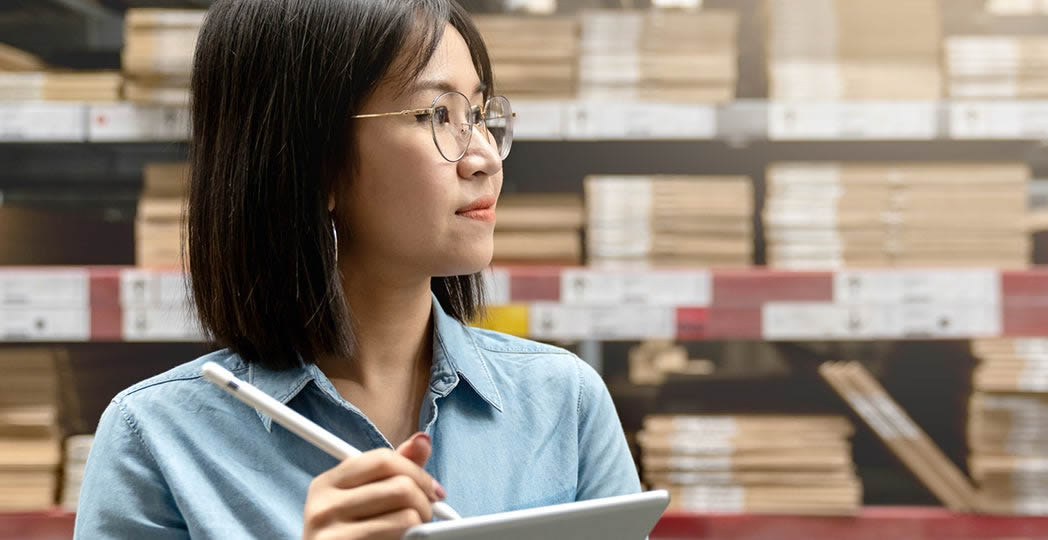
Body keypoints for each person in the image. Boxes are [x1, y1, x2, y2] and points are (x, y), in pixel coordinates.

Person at [74, 1, 641, 537]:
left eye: (479, 112)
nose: (486, 157)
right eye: (438, 114)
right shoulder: (155, 441)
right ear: (311, 159)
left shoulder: (563, 404)